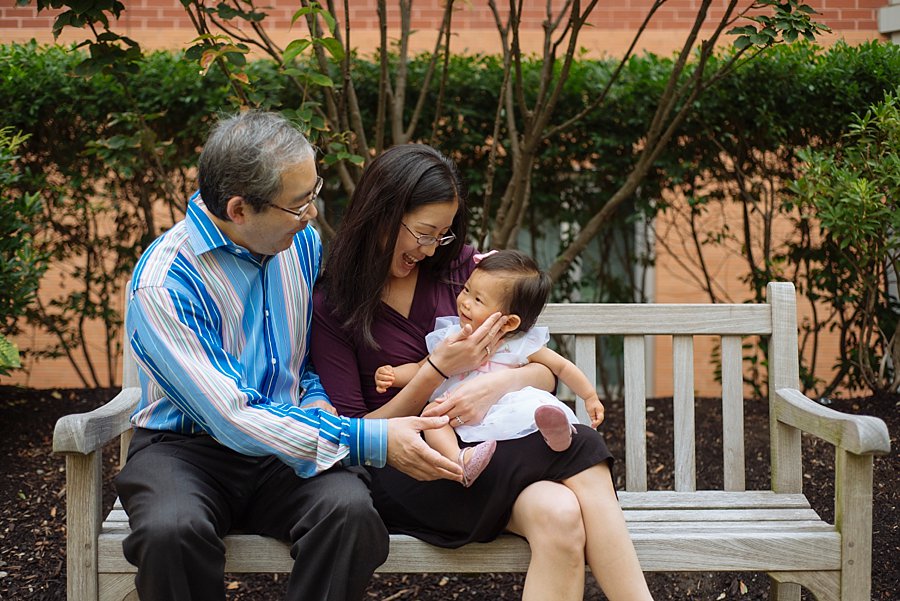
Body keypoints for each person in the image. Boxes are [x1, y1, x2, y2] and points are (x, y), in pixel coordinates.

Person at [114, 111, 467, 601]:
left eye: (313, 194)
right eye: (299, 204)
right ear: (239, 209)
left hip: (289, 443)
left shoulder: (300, 244)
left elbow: (306, 360)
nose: (312, 215)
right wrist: (369, 437)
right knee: (172, 531)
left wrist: (318, 400)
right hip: (186, 449)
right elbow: (231, 416)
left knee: (350, 515)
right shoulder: (166, 282)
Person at [311, 143, 654, 600]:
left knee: (560, 515)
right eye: (424, 232)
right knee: (582, 445)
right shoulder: (334, 303)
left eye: (443, 235)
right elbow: (353, 434)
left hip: (490, 449)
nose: (431, 247)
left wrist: (495, 383)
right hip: (412, 469)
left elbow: (539, 372)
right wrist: (436, 371)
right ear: (382, 213)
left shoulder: (464, 273)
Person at [374, 248, 606, 487]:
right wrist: (395, 375)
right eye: (466, 290)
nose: (464, 302)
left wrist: (589, 396)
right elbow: (423, 368)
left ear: (509, 322)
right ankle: (460, 459)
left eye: (477, 300)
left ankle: (558, 435)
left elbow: (562, 367)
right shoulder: (453, 336)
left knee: (537, 409)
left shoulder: (520, 343)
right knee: (432, 414)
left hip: (507, 405)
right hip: (459, 411)